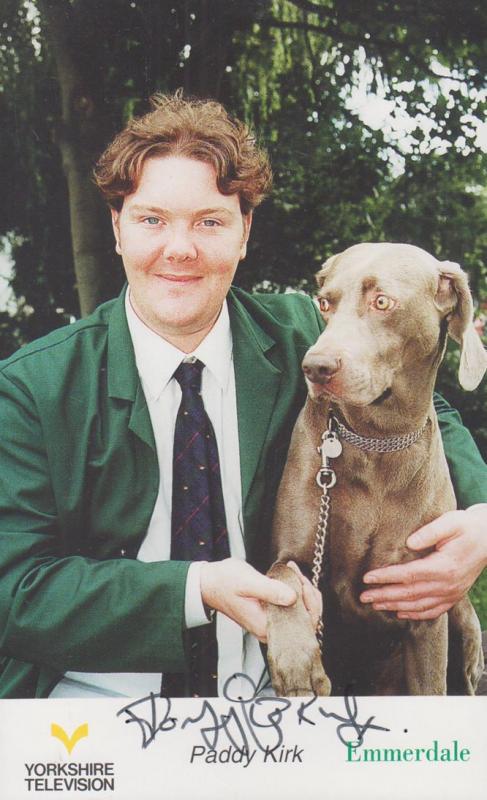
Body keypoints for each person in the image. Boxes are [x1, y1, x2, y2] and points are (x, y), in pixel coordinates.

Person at [0, 93, 485, 699]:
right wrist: (194, 589)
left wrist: (482, 520)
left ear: (244, 232)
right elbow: (14, 590)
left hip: (271, 707)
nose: (180, 248)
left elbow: (420, 404)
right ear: (117, 229)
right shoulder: (33, 388)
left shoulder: (300, 342)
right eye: (152, 219)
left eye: (209, 221)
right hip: (89, 710)